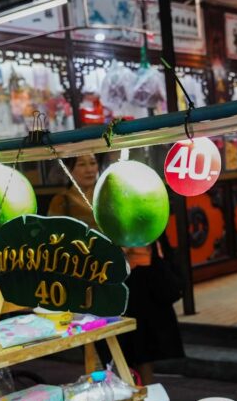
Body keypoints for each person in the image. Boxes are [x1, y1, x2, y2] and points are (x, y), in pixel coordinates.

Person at [50, 154, 184, 384]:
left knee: (141, 344)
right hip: (94, 284)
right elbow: (57, 244)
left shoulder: (110, 193)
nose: (89, 169)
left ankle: (145, 395)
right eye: (81, 164)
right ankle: (118, 394)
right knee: (108, 346)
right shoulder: (61, 202)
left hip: (132, 278)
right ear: (69, 169)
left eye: (92, 163)